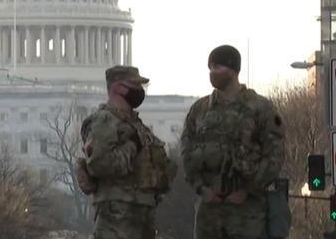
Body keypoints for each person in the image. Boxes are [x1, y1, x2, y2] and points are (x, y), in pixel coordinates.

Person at [180, 45, 285, 238]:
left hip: (246, 210)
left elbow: (274, 154)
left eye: (218, 67)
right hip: (209, 210)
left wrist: (248, 190)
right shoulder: (200, 110)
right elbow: (186, 150)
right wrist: (201, 188)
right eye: (210, 68)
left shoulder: (260, 108)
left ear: (233, 70)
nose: (213, 73)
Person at [75, 65, 176, 239]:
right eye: (135, 85)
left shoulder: (135, 124)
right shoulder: (104, 121)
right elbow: (100, 165)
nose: (139, 91)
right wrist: (132, 147)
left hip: (141, 211)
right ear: (118, 88)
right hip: (117, 215)